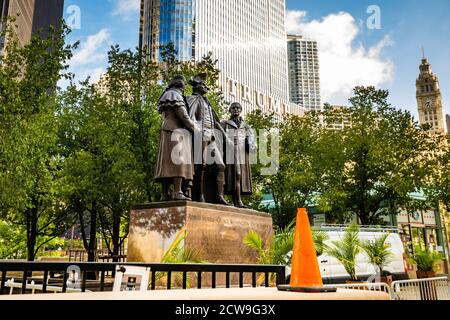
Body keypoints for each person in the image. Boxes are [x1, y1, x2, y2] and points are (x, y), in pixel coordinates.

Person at [187, 73, 230, 205]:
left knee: (220, 165)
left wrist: (224, 135)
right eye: (205, 85)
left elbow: (215, 121)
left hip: (211, 137)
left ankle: (219, 196)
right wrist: (197, 129)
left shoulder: (207, 102)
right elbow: (190, 117)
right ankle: (199, 195)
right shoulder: (192, 99)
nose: (207, 88)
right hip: (200, 135)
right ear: (198, 86)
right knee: (201, 165)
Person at [154, 75, 199, 201]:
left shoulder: (168, 94)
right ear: (181, 84)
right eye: (185, 84)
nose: (185, 86)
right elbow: (183, 116)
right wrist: (196, 129)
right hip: (176, 130)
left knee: (166, 163)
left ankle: (164, 194)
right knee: (178, 161)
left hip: (168, 130)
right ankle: (177, 191)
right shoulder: (175, 95)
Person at [221, 102, 256, 208]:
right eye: (233, 108)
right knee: (235, 175)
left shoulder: (246, 126)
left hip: (242, 153)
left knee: (239, 177)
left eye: (237, 108)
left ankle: (237, 200)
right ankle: (237, 201)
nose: (235, 109)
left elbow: (251, 139)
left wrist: (251, 145)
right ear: (230, 110)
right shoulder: (225, 123)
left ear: (240, 110)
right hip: (230, 152)